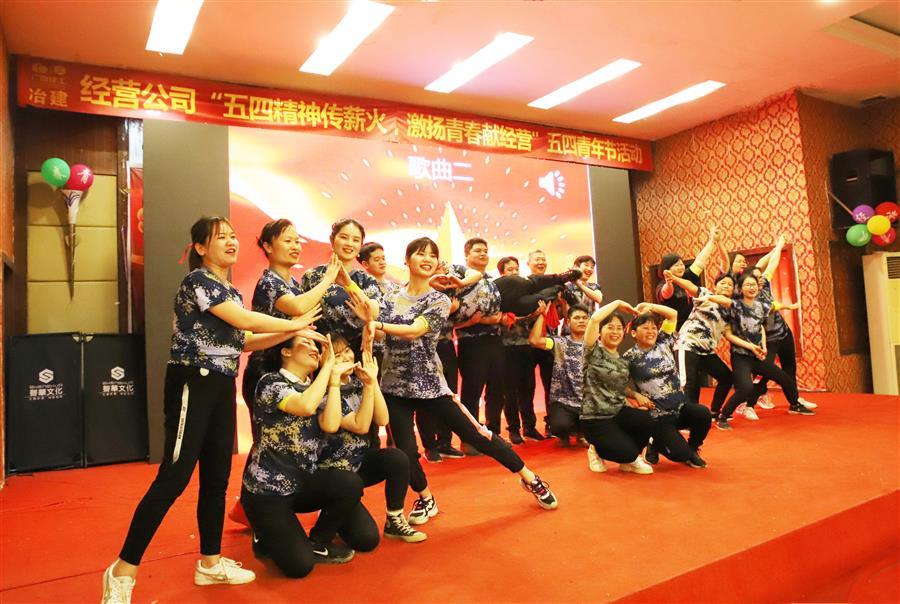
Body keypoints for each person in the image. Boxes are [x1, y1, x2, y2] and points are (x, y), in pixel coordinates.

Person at [102, 217, 321, 604]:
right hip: (193, 380)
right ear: (201, 248)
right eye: (221, 237)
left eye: (233, 236)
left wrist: (294, 331)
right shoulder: (198, 281)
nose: (231, 242)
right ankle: (123, 569)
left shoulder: (230, 291)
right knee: (174, 477)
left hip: (222, 384)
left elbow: (245, 340)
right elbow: (245, 321)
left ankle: (210, 562)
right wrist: (296, 322)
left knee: (217, 479)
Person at [372, 237, 558, 524]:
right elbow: (379, 333)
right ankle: (426, 498)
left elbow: (415, 330)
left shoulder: (438, 299)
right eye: (420, 254)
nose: (427, 259)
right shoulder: (390, 297)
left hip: (430, 386)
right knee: (406, 452)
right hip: (393, 387)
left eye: (432, 255)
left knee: (478, 435)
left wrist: (378, 324)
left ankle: (529, 477)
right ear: (406, 260)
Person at [241, 333, 368, 577]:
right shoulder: (271, 382)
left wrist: (335, 381)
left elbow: (331, 424)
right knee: (300, 567)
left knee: (349, 483)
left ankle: (319, 542)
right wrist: (328, 369)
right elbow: (304, 406)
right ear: (286, 352)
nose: (315, 349)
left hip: (302, 484)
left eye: (315, 346)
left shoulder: (315, 388)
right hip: (268, 492)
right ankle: (263, 530)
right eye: (306, 343)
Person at [316, 335, 426, 543]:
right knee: (366, 539)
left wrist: (372, 381)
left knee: (397, 458)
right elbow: (360, 426)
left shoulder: (358, 382)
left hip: (359, 464)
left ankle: (394, 519)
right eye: (337, 356)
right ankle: (332, 509)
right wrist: (368, 387)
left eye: (347, 351)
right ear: (323, 361)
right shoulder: (321, 392)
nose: (346, 358)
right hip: (336, 474)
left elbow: (383, 419)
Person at [243, 219, 336, 432]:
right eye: (288, 241)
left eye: (297, 241)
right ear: (268, 246)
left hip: (291, 370)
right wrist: (328, 279)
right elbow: (297, 306)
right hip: (264, 369)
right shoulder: (269, 282)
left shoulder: (294, 284)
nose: (295, 246)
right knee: (269, 438)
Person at [717, 271, 815, 430]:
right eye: (747, 285)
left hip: (757, 356)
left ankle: (795, 405)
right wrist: (707, 297)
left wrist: (763, 346)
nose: (751, 287)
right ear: (740, 288)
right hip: (741, 357)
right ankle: (723, 415)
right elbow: (723, 301)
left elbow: (770, 313)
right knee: (745, 389)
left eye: (754, 285)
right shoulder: (736, 305)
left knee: (786, 379)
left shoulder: (761, 306)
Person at [623, 304, 711, 468]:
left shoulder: (663, 341)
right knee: (680, 455)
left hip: (680, 408)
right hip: (658, 417)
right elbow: (618, 385)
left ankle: (693, 449)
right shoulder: (629, 357)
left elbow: (672, 314)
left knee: (703, 414)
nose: (651, 331)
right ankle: (655, 442)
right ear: (634, 333)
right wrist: (636, 395)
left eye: (653, 328)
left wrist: (650, 306)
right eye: (645, 328)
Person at [580, 299, 655, 475]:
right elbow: (594, 320)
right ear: (600, 332)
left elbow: (619, 387)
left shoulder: (623, 362)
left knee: (647, 420)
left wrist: (635, 395)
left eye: (619, 328)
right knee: (626, 452)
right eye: (610, 327)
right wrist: (618, 303)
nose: (615, 332)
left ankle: (629, 461)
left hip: (617, 412)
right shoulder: (593, 352)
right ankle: (595, 450)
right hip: (595, 418)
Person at [445, 238, 507, 451]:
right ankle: (469, 439)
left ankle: (493, 435)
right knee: (472, 391)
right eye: (477, 250)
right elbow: (451, 315)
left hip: (495, 339)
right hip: (471, 342)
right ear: (467, 255)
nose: (483, 254)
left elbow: (499, 311)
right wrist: (472, 322)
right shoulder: (458, 277)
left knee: (497, 389)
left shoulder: (492, 281)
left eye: (485, 251)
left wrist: (498, 319)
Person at [747, 237, 816, 412]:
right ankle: (749, 404)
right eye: (755, 278)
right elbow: (770, 307)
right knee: (764, 373)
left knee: (789, 368)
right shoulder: (748, 298)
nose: (760, 280)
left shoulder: (764, 284)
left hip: (784, 333)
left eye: (760, 277)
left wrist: (779, 246)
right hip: (767, 340)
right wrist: (788, 306)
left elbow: (772, 264)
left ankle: (795, 402)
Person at [300, 219, 381, 349]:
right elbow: (300, 312)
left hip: (357, 351)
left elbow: (374, 313)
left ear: (360, 245)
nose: (349, 243)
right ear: (332, 240)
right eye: (344, 237)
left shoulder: (366, 280)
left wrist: (348, 283)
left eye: (355, 240)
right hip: (321, 349)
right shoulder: (312, 276)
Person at [666, 271, 735, 418]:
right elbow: (690, 286)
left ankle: (714, 411)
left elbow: (729, 334)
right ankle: (688, 419)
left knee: (726, 377)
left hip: (707, 351)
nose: (726, 286)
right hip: (688, 344)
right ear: (715, 287)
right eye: (723, 283)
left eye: (730, 284)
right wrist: (674, 278)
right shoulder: (705, 294)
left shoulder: (730, 310)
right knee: (688, 383)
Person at [528, 302, 589, 447]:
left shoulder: (595, 345)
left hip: (588, 402)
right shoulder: (559, 343)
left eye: (584, 318)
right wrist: (542, 315)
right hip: (564, 402)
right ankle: (564, 434)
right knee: (560, 426)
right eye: (577, 318)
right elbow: (534, 340)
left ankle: (582, 433)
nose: (581, 321)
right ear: (568, 322)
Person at [655, 226, 721, 329]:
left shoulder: (686, 277)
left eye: (681, 264)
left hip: (692, 327)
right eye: (676, 265)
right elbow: (666, 293)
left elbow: (700, 261)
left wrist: (712, 241)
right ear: (666, 268)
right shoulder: (662, 285)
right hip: (674, 329)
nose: (681, 267)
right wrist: (669, 282)